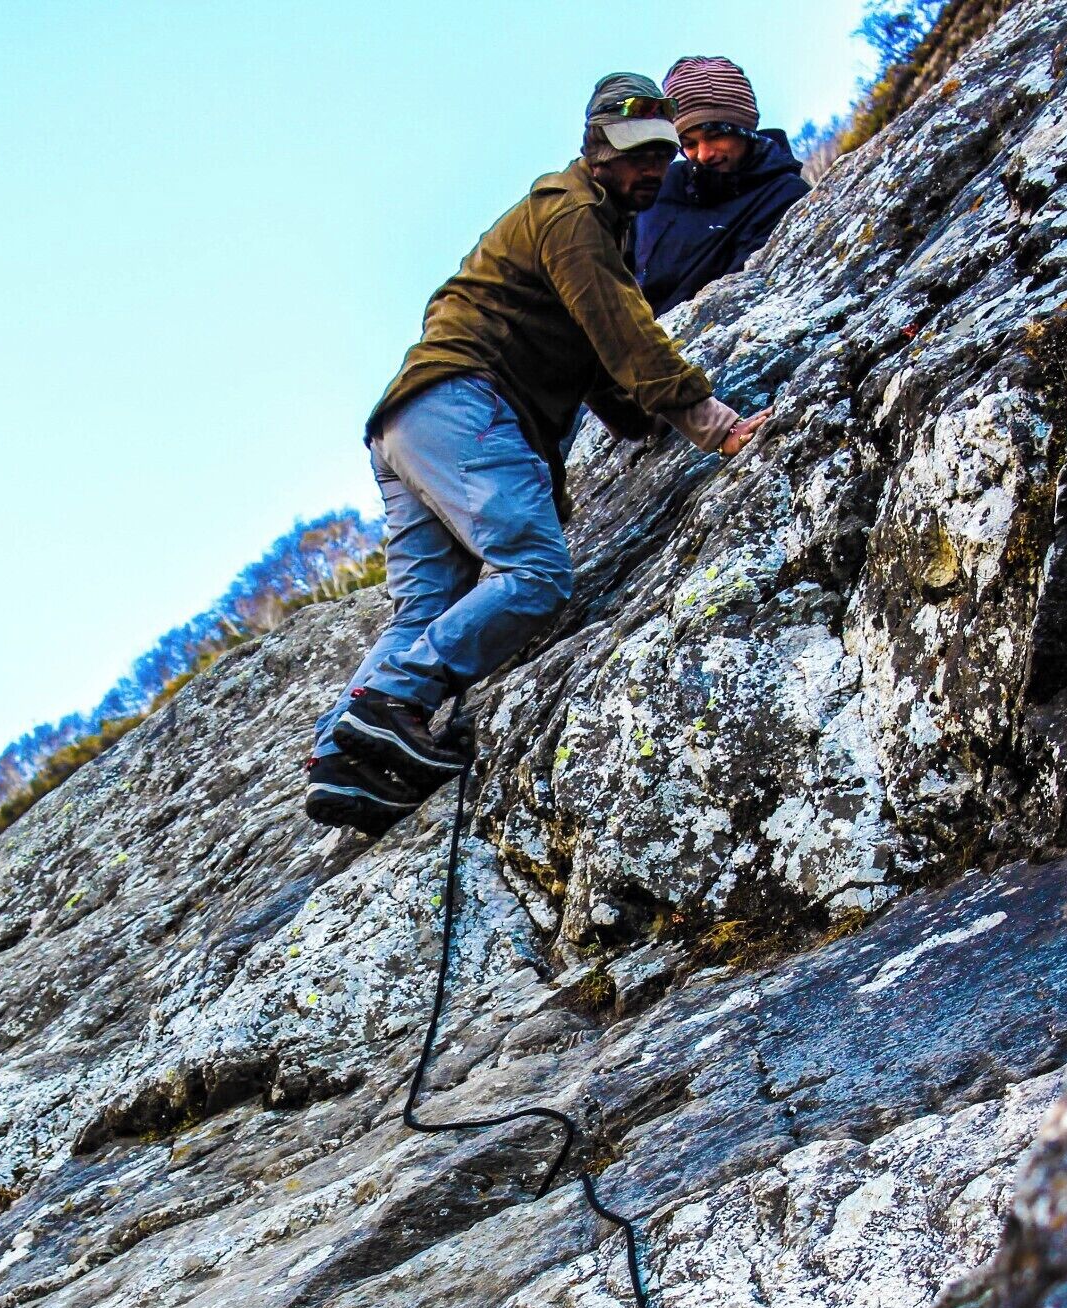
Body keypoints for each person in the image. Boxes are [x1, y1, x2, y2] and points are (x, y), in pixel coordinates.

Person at [305, 73, 770, 836]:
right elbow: (622, 332)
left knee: (427, 606)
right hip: (466, 402)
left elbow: (597, 363)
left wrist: (640, 419)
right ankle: (392, 705)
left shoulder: (589, 223)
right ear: (594, 150)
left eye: (660, 153)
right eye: (632, 155)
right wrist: (713, 424)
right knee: (536, 575)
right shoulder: (573, 213)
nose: (650, 168)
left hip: (408, 421)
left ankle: (340, 759)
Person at [635, 56, 812, 316]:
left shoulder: (786, 196)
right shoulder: (663, 186)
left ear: (744, 129)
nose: (704, 154)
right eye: (689, 143)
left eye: (715, 135)